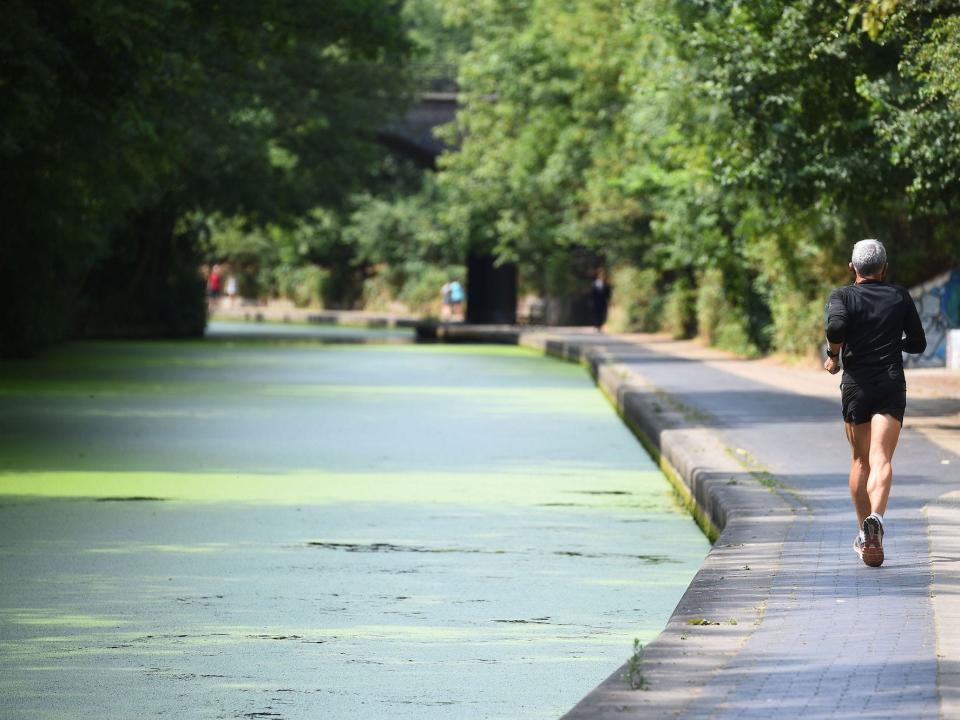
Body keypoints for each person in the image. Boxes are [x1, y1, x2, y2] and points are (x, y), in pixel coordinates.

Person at [824, 239, 926, 567]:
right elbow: (919, 342)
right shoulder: (898, 296)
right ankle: (877, 520)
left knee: (860, 461)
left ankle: (863, 530)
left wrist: (833, 355)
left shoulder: (842, 296)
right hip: (890, 385)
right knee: (881, 459)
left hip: (857, 387)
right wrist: (894, 341)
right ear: (884, 268)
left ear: (852, 267)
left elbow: (836, 326)